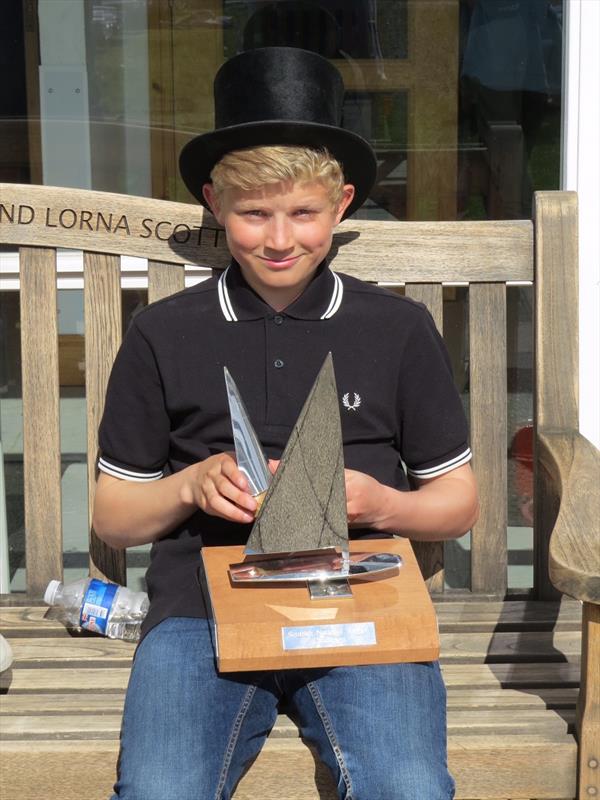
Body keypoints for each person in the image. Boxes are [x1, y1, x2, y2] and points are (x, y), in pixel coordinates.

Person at [93, 47, 478, 800]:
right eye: (253, 214)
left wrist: (382, 504)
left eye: (303, 213)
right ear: (214, 203)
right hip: (201, 604)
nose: (279, 239)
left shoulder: (394, 329)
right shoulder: (165, 333)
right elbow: (113, 517)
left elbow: (457, 502)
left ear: (342, 205)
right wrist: (192, 485)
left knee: (408, 787)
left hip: (361, 597)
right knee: (160, 790)